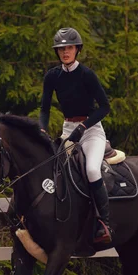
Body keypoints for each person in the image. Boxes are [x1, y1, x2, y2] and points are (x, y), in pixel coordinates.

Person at [39, 27, 112, 244]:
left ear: (77, 49)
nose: (65, 52)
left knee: (91, 169)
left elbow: (105, 107)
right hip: (68, 131)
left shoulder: (87, 75)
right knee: (54, 169)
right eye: (61, 49)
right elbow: (44, 109)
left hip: (91, 131)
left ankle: (104, 222)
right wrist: (42, 129)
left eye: (69, 47)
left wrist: (84, 126)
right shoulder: (52, 76)